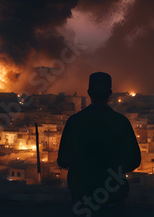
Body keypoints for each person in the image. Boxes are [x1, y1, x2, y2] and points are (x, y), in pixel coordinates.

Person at [57, 72, 141, 217]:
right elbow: (134, 160)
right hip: (113, 198)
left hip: (81, 198)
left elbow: (63, 160)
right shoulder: (121, 122)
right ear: (110, 93)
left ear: (89, 93)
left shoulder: (74, 121)